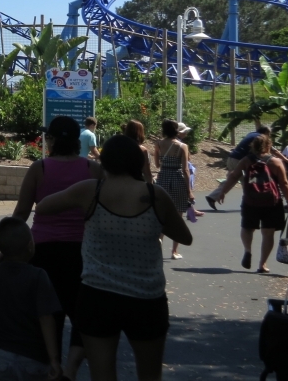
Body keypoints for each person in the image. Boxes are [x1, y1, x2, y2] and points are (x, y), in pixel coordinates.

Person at [36, 135, 193, 381]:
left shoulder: (90, 191)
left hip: (98, 295)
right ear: (137, 162)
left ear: (105, 161)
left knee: (102, 375)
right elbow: (185, 237)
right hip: (146, 298)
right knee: (150, 375)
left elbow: (44, 206)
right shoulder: (155, 196)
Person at [12, 116, 103, 381]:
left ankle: (50, 367)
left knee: (46, 314)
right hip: (82, 252)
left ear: (51, 140)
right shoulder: (93, 170)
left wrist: (6, 251)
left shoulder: (39, 169)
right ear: (77, 141)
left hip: (43, 251)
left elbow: (20, 214)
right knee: (83, 315)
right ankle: (71, 369)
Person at [0, 217, 63, 381]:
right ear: (30, 246)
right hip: (33, 357)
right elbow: (46, 317)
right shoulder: (39, 276)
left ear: (0, 248)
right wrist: (54, 359)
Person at [215, 133, 288, 272]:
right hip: (271, 202)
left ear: (252, 146)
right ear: (269, 145)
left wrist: (223, 192)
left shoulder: (247, 160)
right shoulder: (275, 162)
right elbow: (284, 183)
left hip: (250, 200)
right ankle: (262, 264)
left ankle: (248, 250)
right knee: (268, 233)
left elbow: (234, 176)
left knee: (247, 228)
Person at [153, 119, 194, 260]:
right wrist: (189, 191)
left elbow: (157, 164)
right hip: (177, 179)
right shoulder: (182, 146)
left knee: (162, 214)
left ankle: (158, 244)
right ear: (176, 131)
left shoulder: (158, 144)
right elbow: (185, 169)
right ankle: (174, 251)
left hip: (163, 178)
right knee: (177, 216)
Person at [206, 125, 272, 209]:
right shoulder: (260, 138)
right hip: (239, 160)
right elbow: (271, 150)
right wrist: (284, 159)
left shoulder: (252, 134)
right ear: (266, 132)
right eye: (269, 134)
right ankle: (251, 202)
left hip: (231, 158)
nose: (269, 136)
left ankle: (212, 197)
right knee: (248, 181)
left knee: (232, 179)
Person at [123, 119, 154, 184]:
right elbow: (147, 172)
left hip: (120, 182)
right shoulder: (141, 149)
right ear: (140, 132)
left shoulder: (119, 146)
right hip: (136, 183)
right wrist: (151, 188)